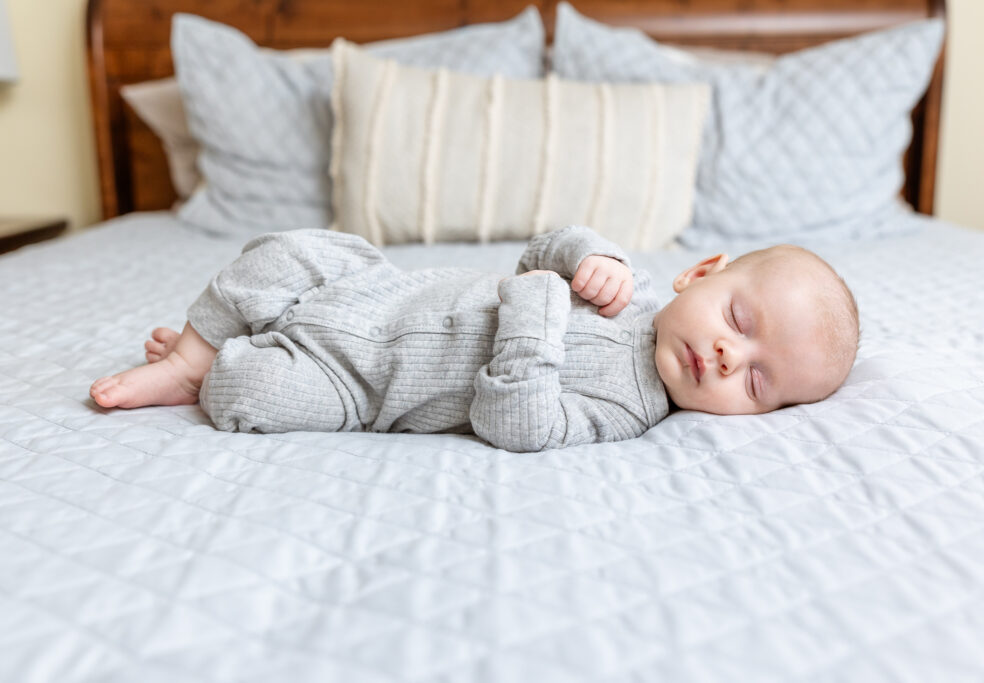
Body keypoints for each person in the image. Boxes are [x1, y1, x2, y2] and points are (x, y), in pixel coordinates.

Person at [90, 225, 859, 451]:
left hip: (359, 388)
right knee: (292, 249)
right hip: (378, 287)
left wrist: (537, 313)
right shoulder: (626, 281)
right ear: (701, 272)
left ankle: (212, 366)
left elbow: (516, 424)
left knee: (246, 393)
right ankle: (189, 352)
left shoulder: (629, 407)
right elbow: (537, 255)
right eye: (740, 322)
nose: (729, 356)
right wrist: (580, 256)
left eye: (757, 384)